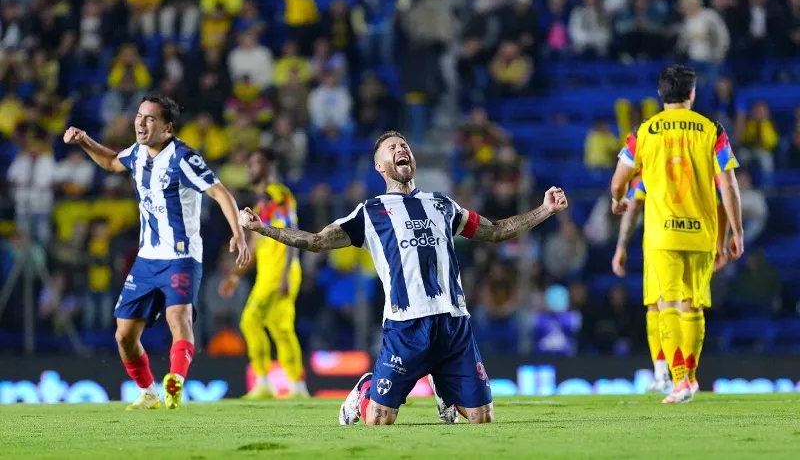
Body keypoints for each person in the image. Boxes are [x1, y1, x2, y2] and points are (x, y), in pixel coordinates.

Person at [239, 131, 569, 425]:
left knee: (482, 419)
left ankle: (445, 386)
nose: (402, 149)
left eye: (405, 145)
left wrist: (544, 210)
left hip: (454, 325)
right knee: (379, 420)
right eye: (392, 147)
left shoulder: (441, 204)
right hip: (406, 328)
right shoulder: (370, 212)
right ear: (380, 167)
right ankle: (365, 388)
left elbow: (494, 231)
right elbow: (315, 241)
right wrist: (263, 229)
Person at [62, 95, 250, 410]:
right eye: (139, 116)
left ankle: (175, 383)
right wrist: (84, 141)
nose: (141, 122)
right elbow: (111, 162)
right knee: (124, 335)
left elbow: (220, 191)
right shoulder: (137, 153)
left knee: (179, 318)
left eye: (150, 118)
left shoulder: (184, 157)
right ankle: (149, 392)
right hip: (147, 259)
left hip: (181, 255)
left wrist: (239, 234)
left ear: (167, 127)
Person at [610, 65, 743, 404]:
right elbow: (727, 185)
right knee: (693, 306)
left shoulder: (645, 131)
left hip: (662, 235)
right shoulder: (712, 130)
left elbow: (618, 181)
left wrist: (616, 199)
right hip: (701, 232)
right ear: (692, 93)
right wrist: (736, 233)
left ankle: (679, 381)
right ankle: (692, 379)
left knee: (666, 304)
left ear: (661, 94)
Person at [612, 172, 730, 394]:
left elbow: (632, 200)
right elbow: (722, 198)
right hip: (693, 240)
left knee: (670, 304)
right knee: (674, 305)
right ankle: (673, 377)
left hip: (663, 243)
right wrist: (720, 241)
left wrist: (621, 244)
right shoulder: (698, 157)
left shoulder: (653, 161)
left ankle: (676, 377)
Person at [219, 149, 309, 399]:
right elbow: (258, 247)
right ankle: (297, 386)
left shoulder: (278, 195)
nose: (250, 169)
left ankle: (262, 381)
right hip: (270, 274)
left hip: (278, 274)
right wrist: (236, 275)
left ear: (269, 167)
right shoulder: (261, 205)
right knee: (280, 327)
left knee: (250, 320)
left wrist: (285, 273)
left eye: (256, 163)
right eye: (249, 164)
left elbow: (292, 232)